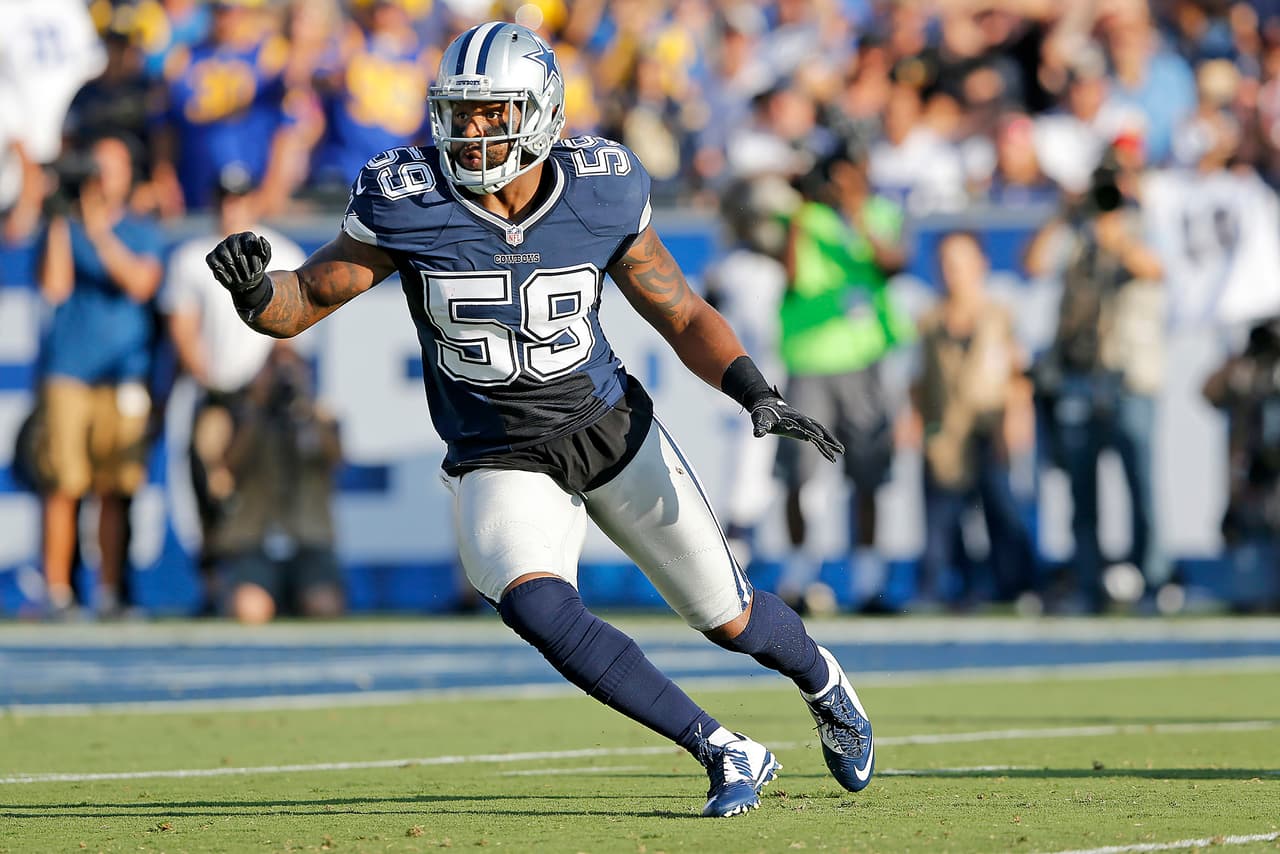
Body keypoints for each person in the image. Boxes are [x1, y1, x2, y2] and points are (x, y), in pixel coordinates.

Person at [205, 21, 873, 818]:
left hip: (609, 429)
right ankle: (721, 747)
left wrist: (752, 389)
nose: (471, 130)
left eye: (492, 111)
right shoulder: (406, 198)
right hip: (496, 450)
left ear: (543, 112)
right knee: (530, 599)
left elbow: (681, 310)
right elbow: (304, 300)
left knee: (728, 618)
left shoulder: (602, 186)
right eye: (460, 110)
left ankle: (824, 682)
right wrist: (255, 294)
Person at [774, 138, 914, 615]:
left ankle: (869, 582)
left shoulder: (878, 212)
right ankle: (799, 577)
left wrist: (854, 214)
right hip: (810, 360)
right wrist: (801, 206)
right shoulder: (804, 217)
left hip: (864, 359)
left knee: (869, 473)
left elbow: (893, 262)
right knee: (799, 474)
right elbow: (789, 274)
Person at [1025, 149, 1168, 613]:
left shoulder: (1145, 226)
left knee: (1140, 483)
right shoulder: (1077, 239)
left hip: (1130, 376)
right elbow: (1033, 263)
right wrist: (1064, 214)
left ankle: (1153, 581)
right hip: (1081, 376)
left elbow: (1154, 268)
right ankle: (1090, 583)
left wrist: (1118, 231)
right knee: (1081, 489)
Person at [160, 165, 307, 610]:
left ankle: (272, 582)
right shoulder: (191, 257)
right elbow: (182, 330)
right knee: (207, 486)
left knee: (266, 486)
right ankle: (214, 585)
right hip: (218, 392)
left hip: (263, 396)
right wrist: (211, 383)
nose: (231, 207)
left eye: (239, 198)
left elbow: (296, 331)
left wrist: (268, 385)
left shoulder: (281, 249)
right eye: (225, 198)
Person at [34, 133, 164, 618]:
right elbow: (54, 285)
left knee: (114, 487)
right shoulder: (65, 225)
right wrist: (58, 216)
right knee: (63, 484)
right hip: (69, 369)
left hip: (123, 372)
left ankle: (110, 591)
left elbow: (139, 283)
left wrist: (95, 229)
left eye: (112, 166)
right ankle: (56, 591)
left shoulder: (139, 229)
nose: (103, 176)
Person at [909, 231, 1038, 611]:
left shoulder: (1001, 315)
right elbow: (919, 382)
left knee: (1002, 508)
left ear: (981, 265)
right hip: (946, 431)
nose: (954, 273)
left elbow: (1018, 374)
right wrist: (917, 422)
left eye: (962, 263)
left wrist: (1016, 419)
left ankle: (1016, 585)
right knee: (943, 518)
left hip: (990, 424)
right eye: (947, 264)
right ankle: (950, 588)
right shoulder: (930, 321)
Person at [200, 341, 346, 624]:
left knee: (324, 607)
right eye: (275, 368)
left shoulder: (320, 414)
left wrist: (305, 409)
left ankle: (297, 596)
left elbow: (336, 459)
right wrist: (257, 411)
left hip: (308, 538)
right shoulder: (238, 414)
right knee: (249, 610)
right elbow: (225, 470)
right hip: (256, 538)